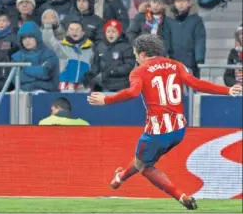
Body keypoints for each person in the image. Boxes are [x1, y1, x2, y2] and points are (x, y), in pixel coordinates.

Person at [87, 34, 242, 210]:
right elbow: (196, 84)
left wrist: (106, 100)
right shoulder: (176, 65)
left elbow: (132, 93)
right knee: (142, 160)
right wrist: (227, 90)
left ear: (143, 54)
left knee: (145, 167)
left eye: (136, 54)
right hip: (179, 131)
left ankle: (180, 196)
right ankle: (120, 178)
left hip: (157, 131)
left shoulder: (139, 71)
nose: (136, 58)